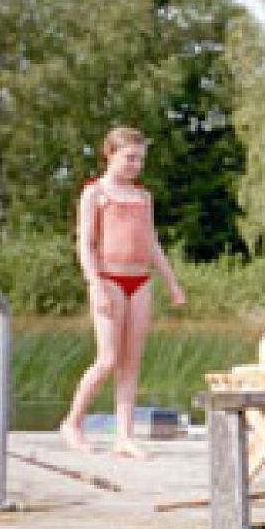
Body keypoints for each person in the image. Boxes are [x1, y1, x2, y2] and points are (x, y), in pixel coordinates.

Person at [60, 127, 186, 457]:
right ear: (110, 154)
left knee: (131, 362)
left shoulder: (143, 197)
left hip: (140, 280)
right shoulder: (96, 193)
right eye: (129, 157)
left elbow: (152, 243)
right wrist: (94, 284)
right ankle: (73, 423)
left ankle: (124, 436)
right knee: (107, 359)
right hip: (108, 279)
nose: (135, 164)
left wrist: (172, 283)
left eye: (140, 159)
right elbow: (85, 244)